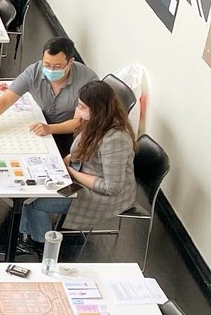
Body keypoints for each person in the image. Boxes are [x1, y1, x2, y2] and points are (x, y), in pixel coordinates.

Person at [18, 79, 137, 250]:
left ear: (98, 110)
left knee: (36, 203)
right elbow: (81, 148)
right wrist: (66, 160)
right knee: (32, 192)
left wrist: (71, 173)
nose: (78, 110)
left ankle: (43, 247)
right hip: (82, 175)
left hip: (104, 196)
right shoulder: (96, 122)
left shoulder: (116, 140)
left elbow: (111, 187)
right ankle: (27, 237)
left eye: (82, 107)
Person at [0, 36, 97, 156]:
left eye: (58, 66)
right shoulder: (34, 72)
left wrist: (50, 128)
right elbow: (5, 100)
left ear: (70, 62)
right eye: (46, 64)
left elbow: (82, 122)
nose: (51, 70)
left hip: (71, 136)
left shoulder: (88, 81)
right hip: (41, 123)